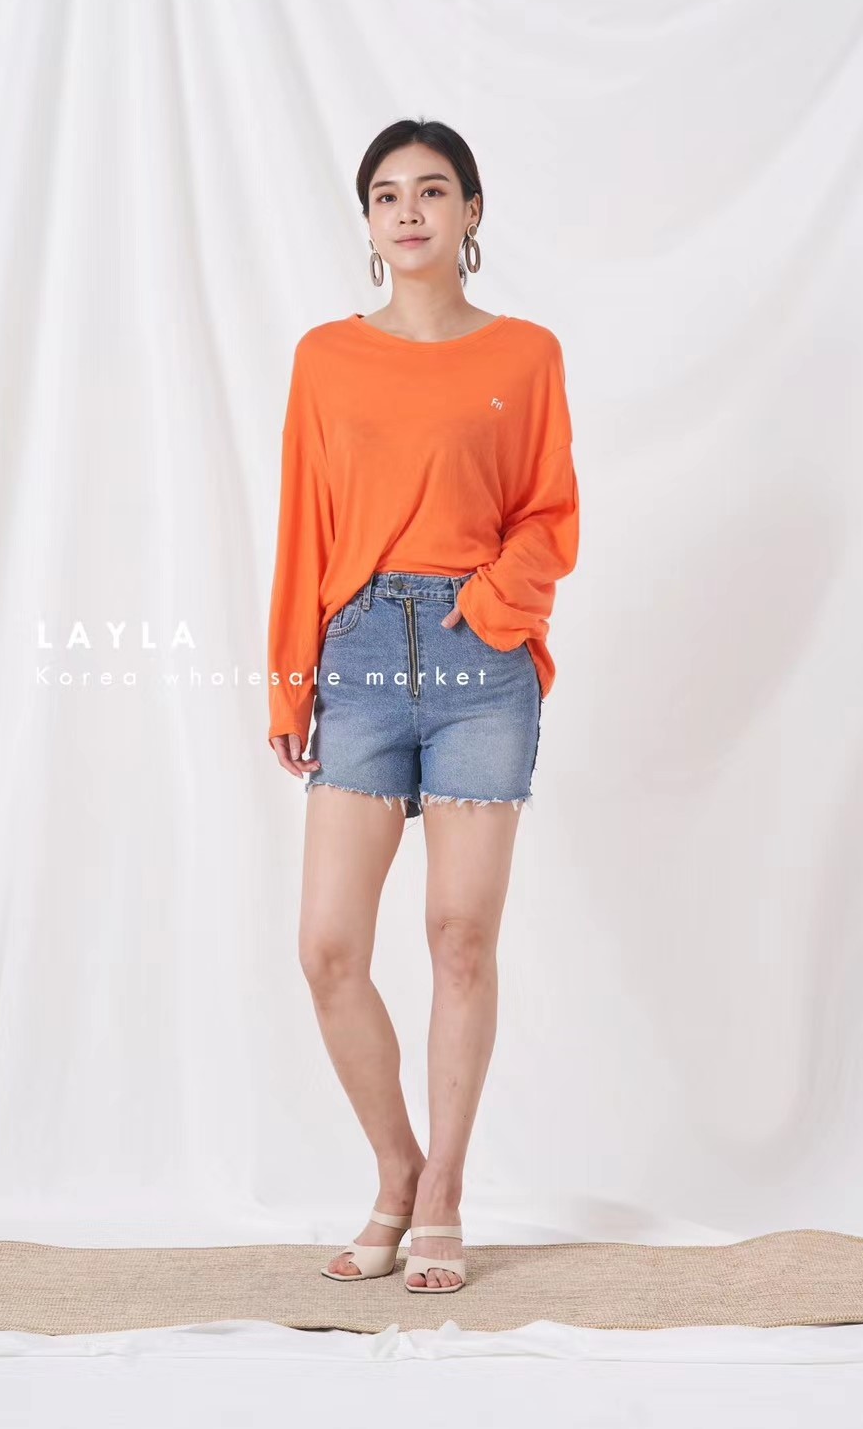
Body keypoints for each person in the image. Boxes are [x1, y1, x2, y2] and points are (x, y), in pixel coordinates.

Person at [267, 117, 579, 1293]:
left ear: (471, 213)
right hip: (354, 655)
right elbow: (304, 522)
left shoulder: (526, 355)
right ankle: (397, 1167)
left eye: (433, 190)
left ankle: (442, 1191)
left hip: (477, 661)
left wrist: (493, 604)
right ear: (368, 221)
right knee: (328, 947)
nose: (408, 210)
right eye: (388, 194)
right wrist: (290, 674)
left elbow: (550, 511)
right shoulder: (325, 358)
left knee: (459, 934)